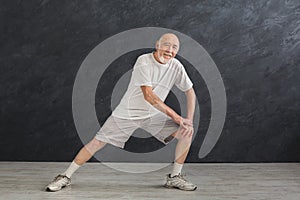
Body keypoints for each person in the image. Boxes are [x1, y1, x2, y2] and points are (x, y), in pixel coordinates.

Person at [46, 33, 197, 191]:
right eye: (166, 45)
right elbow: (149, 96)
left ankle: (175, 177)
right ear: (157, 45)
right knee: (97, 142)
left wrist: (189, 121)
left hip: (153, 115)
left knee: (186, 132)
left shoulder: (176, 66)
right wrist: (178, 117)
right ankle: (65, 176)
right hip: (127, 114)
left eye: (174, 47)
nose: (170, 50)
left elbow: (190, 92)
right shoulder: (144, 61)